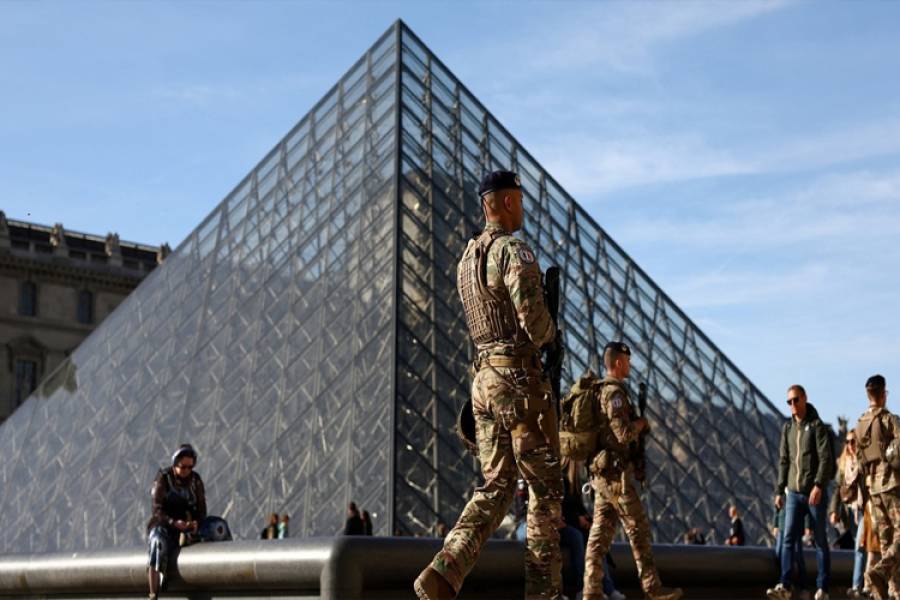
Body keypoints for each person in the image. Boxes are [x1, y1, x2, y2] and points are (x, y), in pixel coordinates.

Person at [414, 170, 563, 600]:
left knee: (495, 487)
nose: (522, 207)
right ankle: (544, 593)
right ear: (509, 201)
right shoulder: (513, 251)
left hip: (483, 383)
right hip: (518, 382)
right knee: (545, 492)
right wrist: (552, 336)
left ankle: (445, 570)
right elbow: (534, 324)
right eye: (520, 198)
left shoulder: (465, 260)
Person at [581, 341, 682, 600]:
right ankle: (652, 588)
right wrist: (640, 423)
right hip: (616, 478)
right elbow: (623, 434)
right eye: (627, 360)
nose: (630, 365)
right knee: (638, 530)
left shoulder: (600, 391)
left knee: (599, 537)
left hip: (603, 476)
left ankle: (591, 591)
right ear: (618, 362)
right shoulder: (614, 394)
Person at [767, 385, 834, 600]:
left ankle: (822, 587)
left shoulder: (817, 427)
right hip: (793, 493)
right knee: (787, 539)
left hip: (813, 492)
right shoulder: (788, 429)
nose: (792, 405)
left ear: (804, 398)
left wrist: (818, 485)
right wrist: (779, 491)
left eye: (796, 400)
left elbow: (826, 459)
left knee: (820, 541)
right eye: (789, 402)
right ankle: (785, 584)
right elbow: (784, 461)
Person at [854, 375, 900, 600]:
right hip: (892, 484)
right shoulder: (890, 420)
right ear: (883, 394)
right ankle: (881, 571)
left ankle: (892, 591)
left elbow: (858, 464)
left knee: (885, 540)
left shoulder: (860, 423)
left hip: (872, 489)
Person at [146, 444, 207, 600]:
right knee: (157, 541)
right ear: (175, 464)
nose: (187, 470)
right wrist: (173, 522)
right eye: (183, 467)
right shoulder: (163, 478)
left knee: (217, 528)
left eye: (190, 467)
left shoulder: (196, 480)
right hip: (165, 525)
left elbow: (201, 510)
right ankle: (153, 593)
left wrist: (196, 523)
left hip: (189, 525)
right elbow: (157, 510)